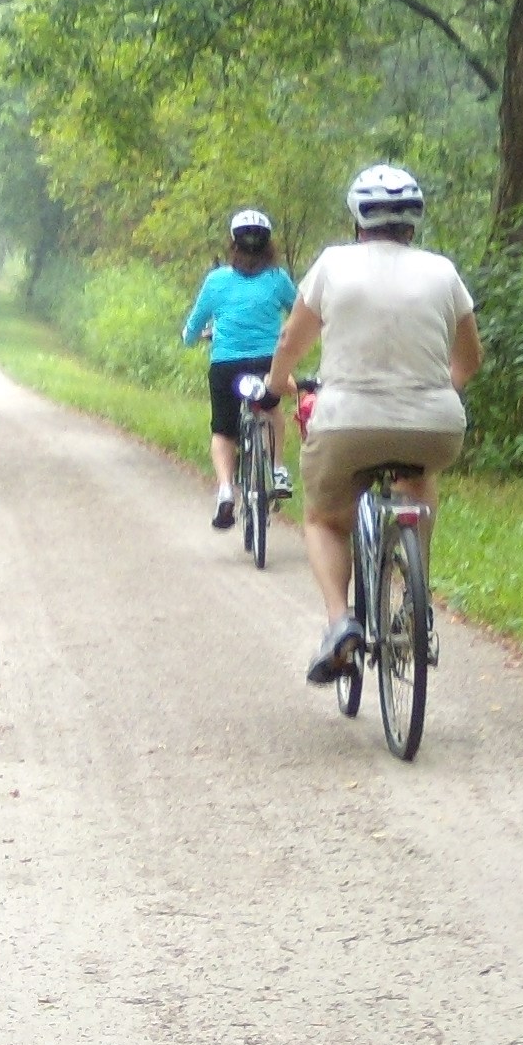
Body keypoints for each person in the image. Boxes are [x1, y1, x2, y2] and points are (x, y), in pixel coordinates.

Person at [262, 165, 482, 684]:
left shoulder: (333, 265)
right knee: (419, 475)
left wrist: (276, 387)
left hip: (347, 423)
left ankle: (340, 623)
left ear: (358, 218)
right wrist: (431, 395)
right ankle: (414, 600)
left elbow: (291, 342)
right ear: (414, 221)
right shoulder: (443, 272)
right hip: (434, 423)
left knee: (324, 518)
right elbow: (470, 359)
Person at [181, 209, 299, 529]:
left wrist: (190, 338)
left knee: (223, 431)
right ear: (268, 245)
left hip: (225, 366)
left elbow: (195, 324)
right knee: (272, 409)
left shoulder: (216, 280)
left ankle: (224, 492)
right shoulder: (277, 279)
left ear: (233, 243)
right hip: (266, 363)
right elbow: (301, 311)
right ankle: (276, 470)